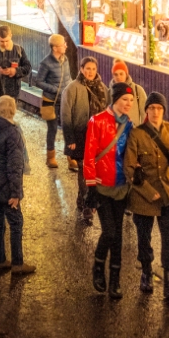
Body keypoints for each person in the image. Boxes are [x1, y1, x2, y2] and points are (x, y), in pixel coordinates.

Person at [125, 91, 169, 302]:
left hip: (168, 195)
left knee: (168, 238)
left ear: (164, 111)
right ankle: (146, 271)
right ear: (146, 111)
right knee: (144, 237)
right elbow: (130, 168)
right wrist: (147, 191)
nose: (155, 112)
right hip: (143, 196)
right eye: (151, 108)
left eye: (159, 108)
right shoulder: (137, 134)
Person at [83, 82, 137, 299]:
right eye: (125, 100)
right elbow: (89, 155)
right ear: (114, 99)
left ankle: (115, 279)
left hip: (122, 186)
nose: (128, 104)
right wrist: (91, 187)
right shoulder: (97, 121)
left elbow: (131, 154)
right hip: (103, 185)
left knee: (119, 237)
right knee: (110, 231)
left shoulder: (130, 125)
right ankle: (98, 267)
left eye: (131, 101)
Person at [0, 95, 35, 275]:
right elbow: (14, 166)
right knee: (16, 222)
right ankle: (18, 263)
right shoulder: (12, 132)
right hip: (6, 188)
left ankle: (0, 260)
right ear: (13, 110)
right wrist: (15, 193)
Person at [63, 57, 106, 220]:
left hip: (98, 137)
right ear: (81, 69)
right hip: (80, 135)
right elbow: (66, 115)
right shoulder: (72, 88)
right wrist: (70, 139)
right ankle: (88, 205)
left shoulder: (102, 88)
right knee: (83, 169)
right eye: (87, 68)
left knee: (94, 170)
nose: (90, 72)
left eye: (93, 69)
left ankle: (82, 199)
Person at [34, 34, 71, 170]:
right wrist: (55, 89)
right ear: (55, 48)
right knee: (53, 129)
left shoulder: (65, 59)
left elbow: (68, 78)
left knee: (68, 128)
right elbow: (38, 81)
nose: (66, 46)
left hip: (64, 100)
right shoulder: (46, 63)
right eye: (63, 44)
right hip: (50, 101)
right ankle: (51, 157)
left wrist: (70, 89)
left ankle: (71, 157)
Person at [0, 25, 31, 100]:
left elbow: (28, 67)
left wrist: (16, 71)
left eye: (7, 41)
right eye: (2, 41)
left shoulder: (19, 50)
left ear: (11, 36)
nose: (5, 44)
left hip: (13, 94)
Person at [109, 61, 147, 126]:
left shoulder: (138, 90)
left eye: (121, 74)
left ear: (126, 74)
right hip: (114, 133)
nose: (118, 77)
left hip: (133, 132)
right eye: (116, 74)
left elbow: (146, 114)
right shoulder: (109, 92)